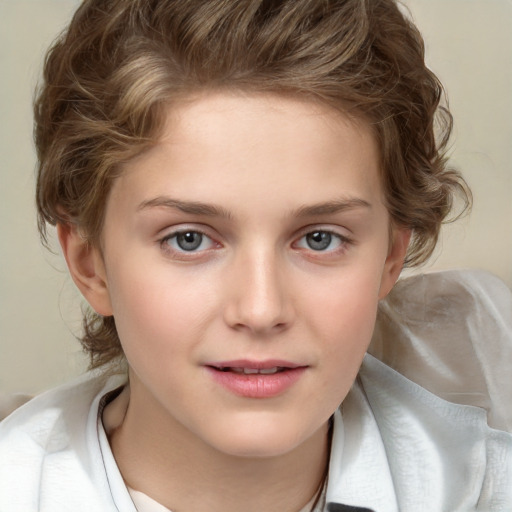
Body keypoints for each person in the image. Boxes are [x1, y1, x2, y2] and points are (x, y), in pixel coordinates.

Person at [0, 0, 510, 510]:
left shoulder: (482, 486)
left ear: (391, 258)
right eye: (189, 239)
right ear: (92, 265)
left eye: (319, 239)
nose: (261, 310)